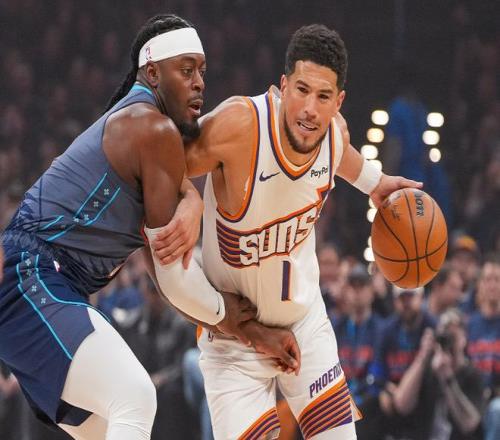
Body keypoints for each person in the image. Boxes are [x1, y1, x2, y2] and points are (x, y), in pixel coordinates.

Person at [0, 14, 294, 440]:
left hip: (36, 287)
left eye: (202, 71)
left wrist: (191, 199)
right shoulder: (152, 128)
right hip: (32, 280)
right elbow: (174, 277)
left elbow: (164, 275)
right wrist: (241, 323)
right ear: (153, 73)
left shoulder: (140, 128)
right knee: (135, 397)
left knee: (109, 427)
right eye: (186, 70)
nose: (199, 83)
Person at [154, 24, 422, 439]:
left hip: (304, 325)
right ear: (283, 86)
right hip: (234, 339)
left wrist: (376, 181)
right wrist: (189, 200)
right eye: (301, 89)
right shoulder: (239, 126)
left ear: (338, 103)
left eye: (323, 97)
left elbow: (342, 155)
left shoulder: (334, 134)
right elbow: (157, 164)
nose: (310, 109)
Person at [381, 309, 485, 440]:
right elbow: (402, 405)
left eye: (453, 337)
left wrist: (448, 379)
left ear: (464, 339)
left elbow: (470, 424)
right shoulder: (427, 369)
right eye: (444, 337)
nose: (448, 343)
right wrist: (422, 356)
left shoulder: (472, 374)